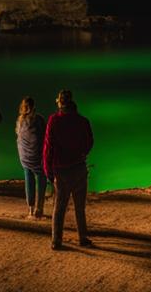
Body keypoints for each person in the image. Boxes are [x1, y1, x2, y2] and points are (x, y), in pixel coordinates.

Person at [43, 89, 94, 250]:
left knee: (59, 207)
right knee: (80, 207)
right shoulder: (82, 121)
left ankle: (56, 240)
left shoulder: (53, 121)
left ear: (59, 102)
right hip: (78, 168)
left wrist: (48, 171)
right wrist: (81, 153)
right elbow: (89, 142)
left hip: (61, 170)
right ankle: (83, 237)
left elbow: (48, 148)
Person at [16, 96, 46, 218]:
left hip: (24, 155)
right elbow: (45, 136)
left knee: (28, 177)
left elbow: (18, 136)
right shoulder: (38, 119)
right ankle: (39, 208)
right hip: (36, 154)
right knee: (41, 176)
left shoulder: (20, 120)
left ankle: (30, 209)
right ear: (33, 107)